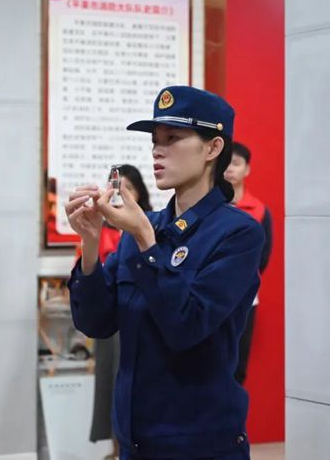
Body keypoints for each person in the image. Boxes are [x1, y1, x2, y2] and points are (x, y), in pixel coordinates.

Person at [65, 86, 264, 459]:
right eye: (155, 141)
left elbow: (186, 325)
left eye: (172, 139)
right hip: (136, 441)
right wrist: (90, 244)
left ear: (212, 148)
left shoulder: (238, 233)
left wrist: (145, 240)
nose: (157, 150)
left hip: (200, 443)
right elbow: (96, 322)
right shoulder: (145, 226)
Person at [89, 165, 152, 460]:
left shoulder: (148, 225)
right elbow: (88, 272)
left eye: (126, 188)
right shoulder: (100, 227)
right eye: (113, 187)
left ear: (138, 191)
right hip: (109, 315)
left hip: (141, 316)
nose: (117, 194)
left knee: (137, 381)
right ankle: (116, 447)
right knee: (109, 380)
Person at [224, 142, 273, 385]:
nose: (230, 169)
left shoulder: (259, 211)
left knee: (238, 366)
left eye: (236, 163)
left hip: (245, 297)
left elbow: (263, 257)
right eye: (226, 163)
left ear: (247, 169)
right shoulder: (209, 207)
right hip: (207, 294)